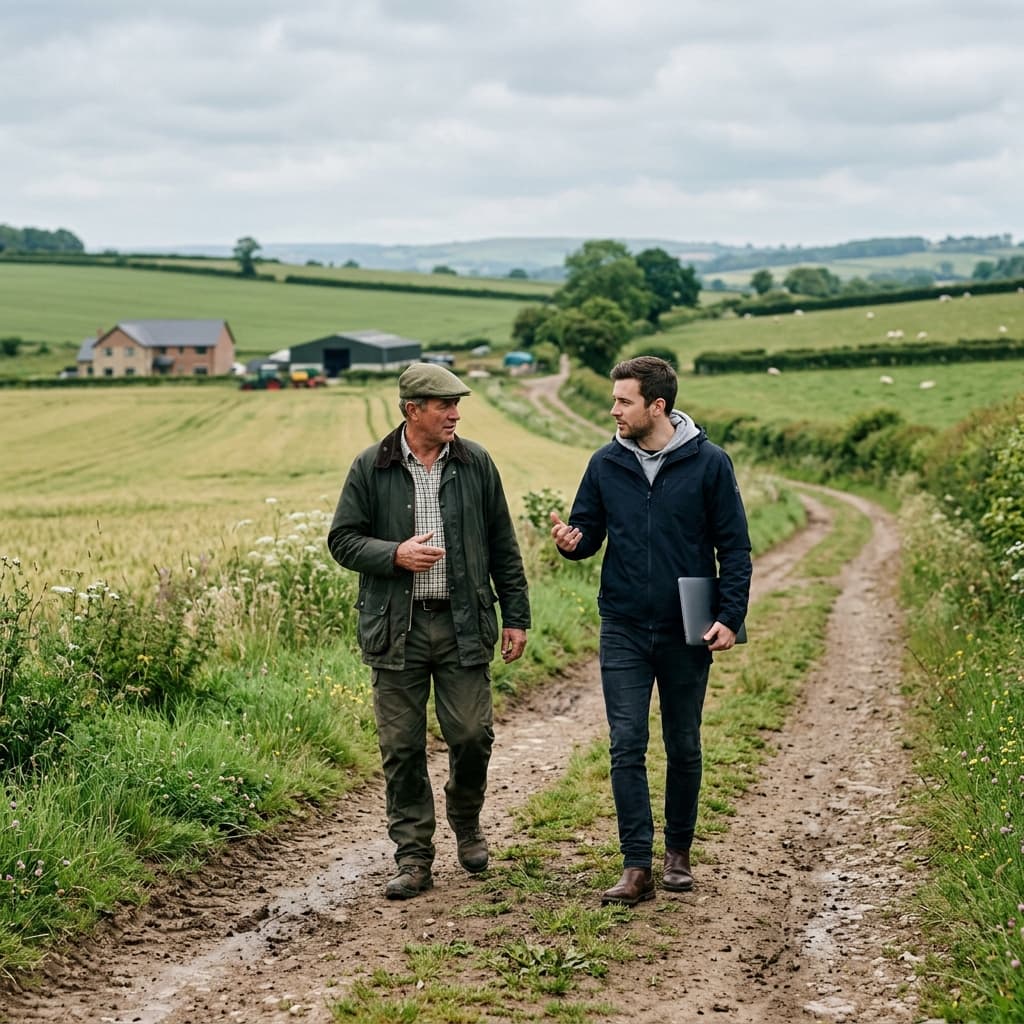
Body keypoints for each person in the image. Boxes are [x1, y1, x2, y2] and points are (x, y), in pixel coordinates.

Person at [550, 355, 751, 906]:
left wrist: (729, 617)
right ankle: (636, 866)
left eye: (623, 400)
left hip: (688, 624)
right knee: (625, 744)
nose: (612, 409)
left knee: (683, 742)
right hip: (623, 624)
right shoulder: (604, 463)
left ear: (656, 406)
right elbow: (588, 531)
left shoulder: (711, 464)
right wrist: (573, 542)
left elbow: (733, 549)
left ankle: (679, 855)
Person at [327, 362, 531, 900]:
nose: (456, 414)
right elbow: (342, 540)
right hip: (397, 629)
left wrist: (517, 615)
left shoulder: (476, 462)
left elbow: (503, 545)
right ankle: (414, 856)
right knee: (401, 746)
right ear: (412, 410)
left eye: (457, 405)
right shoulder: (372, 466)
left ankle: (466, 818)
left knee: (471, 734)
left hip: (464, 623)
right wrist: (394, 554)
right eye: (445, 405)